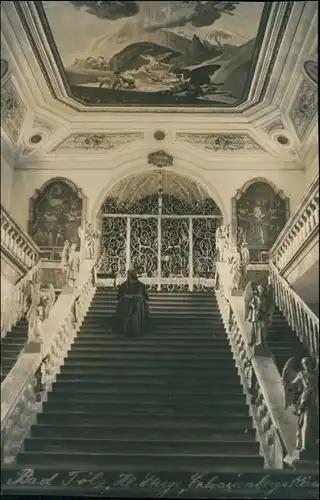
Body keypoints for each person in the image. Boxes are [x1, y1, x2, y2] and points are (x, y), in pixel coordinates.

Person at [114, 268, 150, 337]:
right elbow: (147, 298)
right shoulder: (142, 285)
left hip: (129, 308)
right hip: (139, 308)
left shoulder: (123, 286)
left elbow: (118, 298)